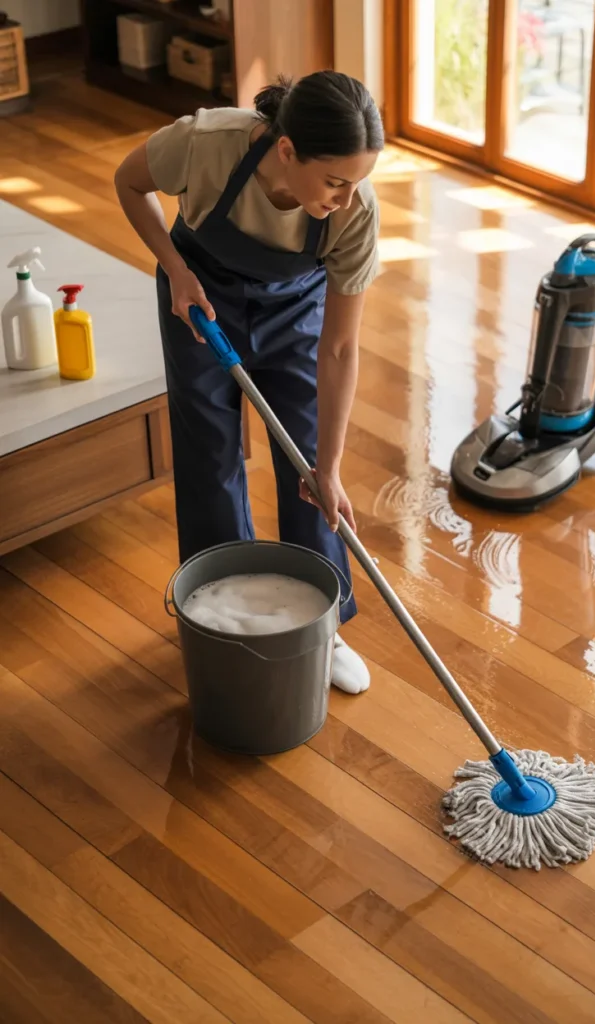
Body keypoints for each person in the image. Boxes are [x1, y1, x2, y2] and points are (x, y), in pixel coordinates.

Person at [114, 70, 384, 694]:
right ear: (287, 150)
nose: (345, 198)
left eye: (358, 183)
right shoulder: (208, 142)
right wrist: (175, 270)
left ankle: (322, 627)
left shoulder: (354, 214)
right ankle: (224, 618)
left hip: (295, 309)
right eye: (336, 181)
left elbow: (341, 347)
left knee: (308, 467)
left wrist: (332, 466)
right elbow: (129, 183)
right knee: (210, 454)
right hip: (198, 296)